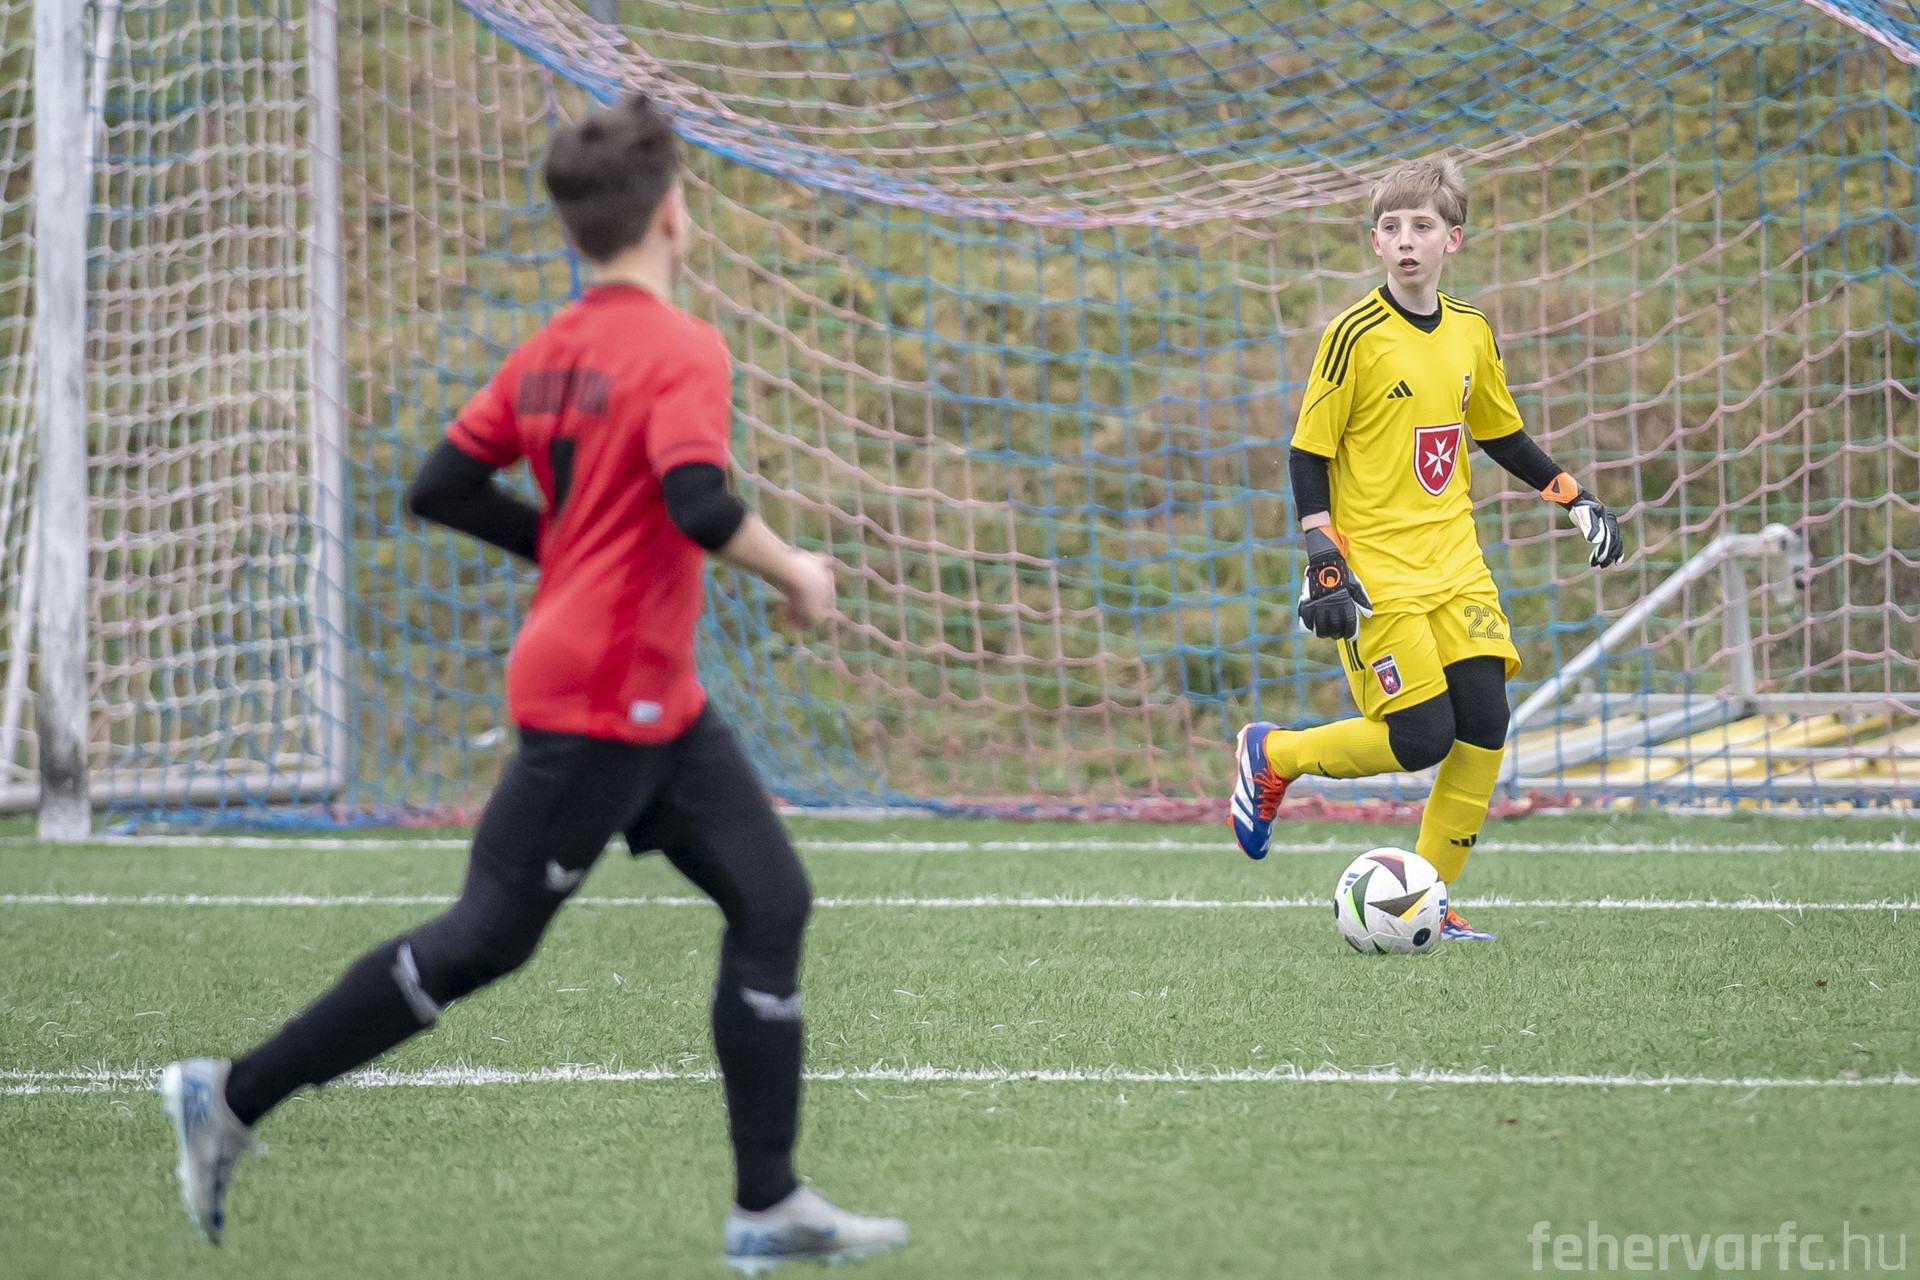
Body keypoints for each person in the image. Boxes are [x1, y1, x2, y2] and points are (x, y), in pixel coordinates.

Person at [159, 92, 907, 1272]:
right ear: (674, 214)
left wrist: (561, 547)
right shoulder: (681, 347)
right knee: (481, 941)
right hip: (603, 700)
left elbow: (441, 486)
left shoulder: (549, 351)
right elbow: (698, 499)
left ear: (571, 229)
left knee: (772, 900)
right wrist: (799, 573)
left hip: (654, 696)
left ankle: (769, 1203)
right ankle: (231, 1093)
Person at [1230, 154, 1626, 939]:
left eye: (1422, 225)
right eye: (1392, 227)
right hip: (1377, 570)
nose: (1407, 239)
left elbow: (1500, 432)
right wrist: (1323, 556)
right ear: (1376, 242)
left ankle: (1431, 902)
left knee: (1485, 721)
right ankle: (1274, 755)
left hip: (1456, 564)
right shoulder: (1353, 336)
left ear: (1454, 239)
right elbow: (1308, 452)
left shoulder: (1471, 330)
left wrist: (1572, 496)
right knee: (1420, 739)